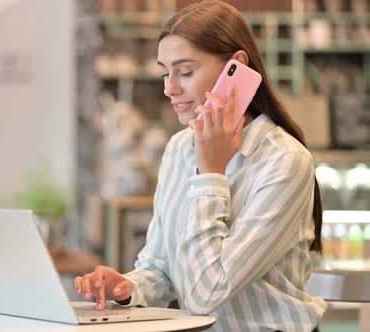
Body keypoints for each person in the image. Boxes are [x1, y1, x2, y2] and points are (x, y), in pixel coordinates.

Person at [74, 1, 327, 331]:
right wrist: (126, 288)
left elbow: (205, 294)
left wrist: (211, 173)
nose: (169, 88)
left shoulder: (284, 161)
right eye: (166, 72)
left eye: (186, 72)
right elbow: (160, 268)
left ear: (235, 67)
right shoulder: (179, 148)